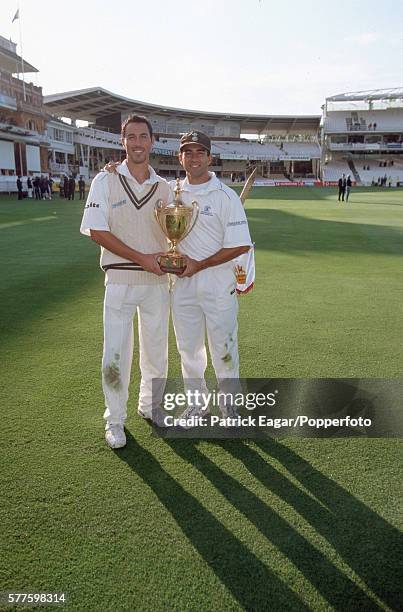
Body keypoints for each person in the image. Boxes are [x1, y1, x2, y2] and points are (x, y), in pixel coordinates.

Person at [80, 114, 170, 449]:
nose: (137, 143)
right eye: (130, 137)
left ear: (152, 141)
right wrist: (142, 258)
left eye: (142, 136)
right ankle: (115, 420)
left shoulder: (164, 187)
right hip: (119, 280)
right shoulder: (105, 181)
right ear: (122, 142)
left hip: (157, 283)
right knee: (115, 353)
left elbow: (174, 235)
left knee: (156, 352)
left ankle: (151, 406)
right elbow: (97, 232)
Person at [169, 131, 252, 423]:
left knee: (224, 348)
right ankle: (197, 406)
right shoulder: (172, 192)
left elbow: (241, 244)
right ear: (180, 157)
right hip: (182, 285)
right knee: (189, 349)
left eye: (199, 152)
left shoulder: (226, 196)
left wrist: (199, 264)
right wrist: (113, 169)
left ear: (209, 157)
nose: (193, 157)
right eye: (187, 152)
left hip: (218, 286)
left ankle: (230, 407)